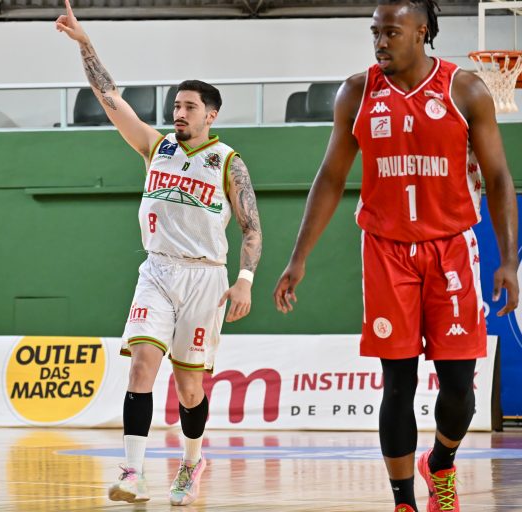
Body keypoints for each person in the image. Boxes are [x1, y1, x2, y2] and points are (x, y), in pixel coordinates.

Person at [273, 1, 518, 511]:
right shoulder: (357, 92)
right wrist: (299, 258)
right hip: (386, 252)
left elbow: (498, 178)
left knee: (459, 390)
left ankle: (441, 463)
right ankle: (403, 501)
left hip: (451, 249)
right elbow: (331, 178)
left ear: (421, 32)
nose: (380, 42)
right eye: (375, 33)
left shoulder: (465, 90)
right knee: (398, 383)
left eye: (391, 32)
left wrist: (509, 260)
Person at [56, 1, 262, 506]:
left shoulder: (228, 162)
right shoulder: (156, 147)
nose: (179, 113)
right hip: (157, 271)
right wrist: (86, 44)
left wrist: (245, 280)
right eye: (176, 106)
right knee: (142, 366)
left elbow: (252, 228)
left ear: (211, 114)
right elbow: (109, 97)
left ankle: (192, 462)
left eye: (189, 106)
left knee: (190, 391)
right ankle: (133, 473)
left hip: (206, 279)